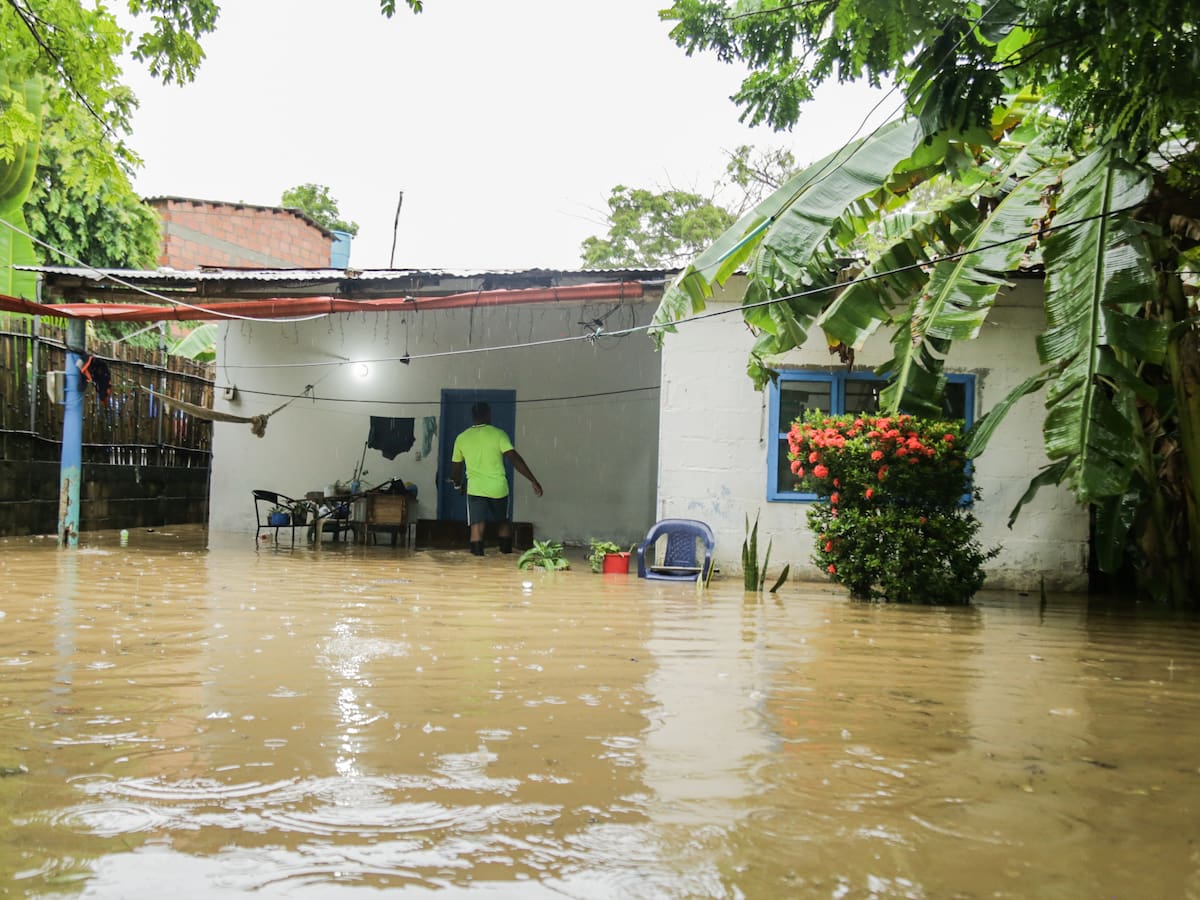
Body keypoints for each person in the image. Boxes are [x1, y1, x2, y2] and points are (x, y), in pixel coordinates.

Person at [450, 402, 543, 556]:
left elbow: (456, 467)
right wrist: (533, 480)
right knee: (503, 522)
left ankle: (477, 562)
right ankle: (506, 556)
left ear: (473, 417)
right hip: (498, 488)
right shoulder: (499, 434)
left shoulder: (462, 438)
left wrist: (457, 484)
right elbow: (515, 459)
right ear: (488, 415)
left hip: (476, 489)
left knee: (476, 526)